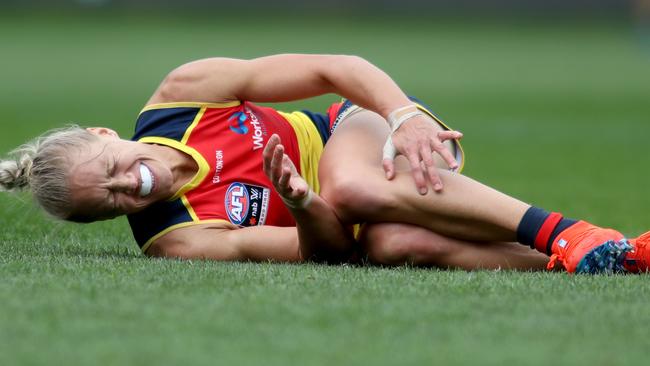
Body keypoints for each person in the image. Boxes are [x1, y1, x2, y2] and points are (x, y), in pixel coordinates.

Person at [0, 54, 648, 273]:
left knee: (352, 183)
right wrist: (304, 203)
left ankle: (567, 231)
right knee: (391, 244)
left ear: (106, 132)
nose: (127, 184)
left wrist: (404, 115)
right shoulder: (178, 240)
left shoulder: (184, 93)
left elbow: (337, 68)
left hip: (363, 130)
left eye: (112, 166)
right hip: (354, 214)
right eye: (110, 201)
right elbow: (331, 254)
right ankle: (610, 258)